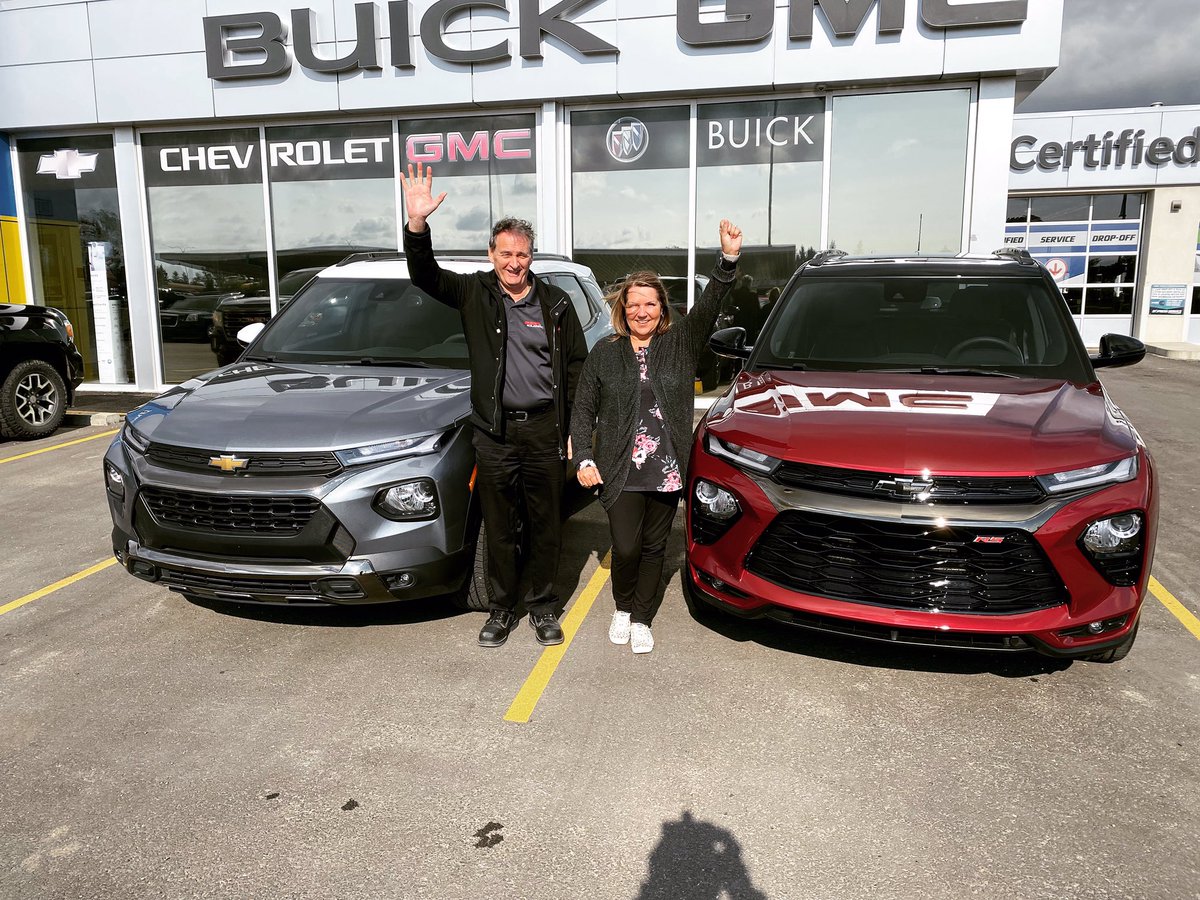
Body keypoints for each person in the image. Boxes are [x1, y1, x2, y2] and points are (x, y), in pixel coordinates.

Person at [401, 163, 588, 649]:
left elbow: (575, 368)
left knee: (546, 525)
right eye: (505, 253)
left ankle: (542, 606)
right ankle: (502, 609)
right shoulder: (474, 293)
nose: (514, 263)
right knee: (500, 527)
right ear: (491, 254)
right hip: (495, 432)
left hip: (544, 430)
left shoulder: (556, 304)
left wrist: (574, 427)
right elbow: (425, 276)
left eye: (522, 254)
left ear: (531, 257)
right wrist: (417, 225)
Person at [570, 220, 743, 654]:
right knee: (626, 546)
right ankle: (622, 606)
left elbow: (710, 303)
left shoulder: (680, 342)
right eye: (634, 305)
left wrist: (727, 260)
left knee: (654, 548)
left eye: (650, 304)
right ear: (623, 309)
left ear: (663, 309)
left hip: (667, 468)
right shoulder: (606, 352)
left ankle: (642, 617)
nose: (641, 312)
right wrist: (584, 458)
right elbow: (583, 407)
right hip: (620, 468)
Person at [725, 273, 760, 342]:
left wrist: (735, 279)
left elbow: (730, 289)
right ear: (750, 284)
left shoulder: (737, 294)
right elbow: (757, 312)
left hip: (738, 322)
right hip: (750, 325)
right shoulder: (753, 296)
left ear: (742, 283)